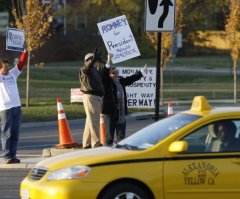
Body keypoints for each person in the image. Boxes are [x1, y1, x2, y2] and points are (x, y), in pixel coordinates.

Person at [103, 64, 148, 146]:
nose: (116, 74)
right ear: (109, 75)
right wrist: (108, 62)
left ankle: (120, 154)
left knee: (121, 137)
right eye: (113, 73)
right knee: (109, 137)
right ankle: (106, 153)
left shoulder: (120, 80)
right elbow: (104, 74)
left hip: (121, 112)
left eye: (117, 72)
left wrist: (141, 72)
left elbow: (131, 79)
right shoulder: (106, 82)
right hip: (110, 113)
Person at [79, 49, 111, 149]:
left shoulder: (95, 70)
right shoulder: (85, 70)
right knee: (95, 121)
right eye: (93, 60)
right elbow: (86, 68)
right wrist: (93, 60)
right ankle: (96, 144)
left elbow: (105, 71)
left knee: (90, 121)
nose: (96, 61)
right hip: (91, 97)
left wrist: (108, 60)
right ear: (88, 60)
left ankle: (86, 143)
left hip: (96, 97)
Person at [0, 50, 27, 164]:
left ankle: (13, 155)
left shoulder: (13, 74)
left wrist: (24, 52)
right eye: (4, 66)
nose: (6, 68)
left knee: (15, 133)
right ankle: (6, 156)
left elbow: (21, 63)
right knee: (7, 133)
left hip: (17, 107)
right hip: (5, 109)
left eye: (7, 66)